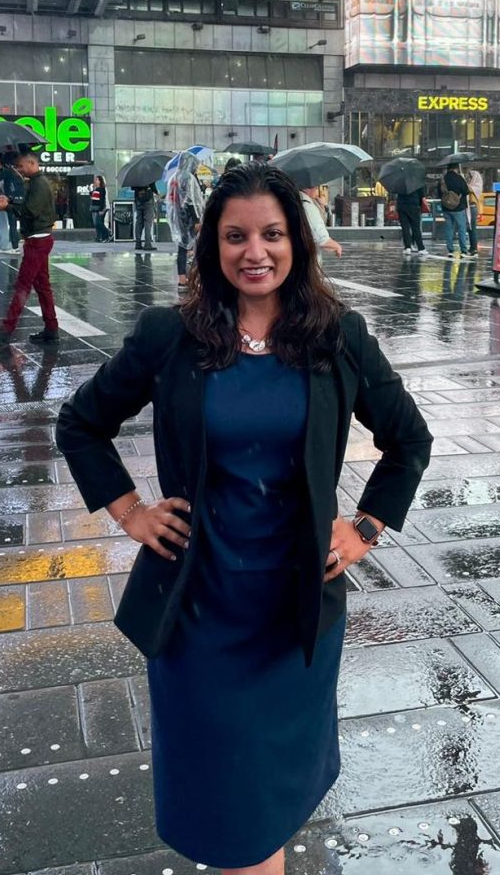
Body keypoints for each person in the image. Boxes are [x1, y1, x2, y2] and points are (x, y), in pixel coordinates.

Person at [55, 162, 432, 875]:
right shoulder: (172, 336)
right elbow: (80, 424)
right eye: (235, 236)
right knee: (229, 810)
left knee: (262, 808)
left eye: (271, 234)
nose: (253, 252)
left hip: (291, 616)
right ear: (211, 246)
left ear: (298, 240)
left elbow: (409, 440)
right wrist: (130, 511)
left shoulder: (338, 336)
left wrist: (366, 528)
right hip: (199, 609)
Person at [0, 149, 60, 345]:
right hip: (40, 238)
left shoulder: (39, 183)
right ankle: (51, 327)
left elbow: (30, 211)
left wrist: (8, 207)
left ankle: (7, 329)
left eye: (21, 166)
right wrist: (10, 202)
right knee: (42, 286)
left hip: (37, 240)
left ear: (31, 163)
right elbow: (29, 206)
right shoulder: (37, 182)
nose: (19, 170)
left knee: (23, 285)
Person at [166, 151, 205, 287]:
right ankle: (194, 275)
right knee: (195, 246)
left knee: (182, 248)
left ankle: (182, 277)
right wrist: (196, 220)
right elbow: (190, 201)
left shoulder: (174, 177)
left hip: (177, 217)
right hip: (188, 217)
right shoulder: (188, 178)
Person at [439, 164, 474, 258]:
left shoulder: (443, 179)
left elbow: (439, 193)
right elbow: (466, 191)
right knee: (461, 228)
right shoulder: (459, 178)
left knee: (449, 228)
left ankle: (450, 250)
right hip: (458, 207)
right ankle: (463, 250)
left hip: (446, 207)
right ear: (456, 168)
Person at [0, 155, 22, 253]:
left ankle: (14, 247)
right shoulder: (12, 172)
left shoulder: (6, 172)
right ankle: (12, 246)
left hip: (8, 200)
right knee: (11, 223)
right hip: (11, 200)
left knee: (11, 223)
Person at [300, 185, 342, 260]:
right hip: (307, 259)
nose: (317, 189)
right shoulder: (307, 206)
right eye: (315, 187)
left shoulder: (296, 202)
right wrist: (336, 246)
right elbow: (321, 238)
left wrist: (322, 206)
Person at [396, 185, 427, 256]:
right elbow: (422, 194)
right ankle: (420, 248)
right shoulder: (416, 181)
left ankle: (407, 247)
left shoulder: (400, 181)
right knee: (416, 227)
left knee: (405, 227)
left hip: (402, 205)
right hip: (413, 205)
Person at [133, 184, 157, 251]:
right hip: (148, 201)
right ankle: (147, 244)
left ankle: (138, 244)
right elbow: (153, 188)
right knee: (147, 222)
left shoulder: (135, 177)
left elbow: (133, 187)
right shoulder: (148, 175)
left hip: (138, 200)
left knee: (139, 222)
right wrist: (156, 192)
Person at [90, 175, 111, 243]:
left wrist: (102, 210)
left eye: (96, 180)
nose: (95, 181)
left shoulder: (102, 189)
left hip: (99, 208)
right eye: (95, 179)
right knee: (97, 223)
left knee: (98, 223)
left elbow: (102, 200)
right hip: (94, 208)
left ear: (100, 181)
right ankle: (100, 237)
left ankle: (107, 233)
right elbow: (93, 197)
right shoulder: (96, 189)